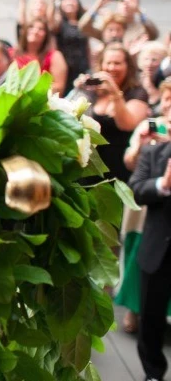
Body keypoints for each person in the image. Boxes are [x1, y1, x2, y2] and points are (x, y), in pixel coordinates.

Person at [118, 80, 171, 335]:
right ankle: (134, 308)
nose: (169, 104)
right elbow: (130, 164)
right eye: (167, 99)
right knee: (142, 258)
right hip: (146, 208)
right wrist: (141, 144)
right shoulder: (148, 126)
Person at [128, 115, 171, 381]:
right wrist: (163, 185)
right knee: (151, 318)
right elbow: (136, 189)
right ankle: (153, 373)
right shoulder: (155, 153)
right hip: (159, 248)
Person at [70, 43, 149, 184]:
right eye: (109, 63)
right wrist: (79, 90)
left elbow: (127, 124)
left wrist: (114, 91)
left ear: (128, 66)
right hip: (89, 164)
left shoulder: (136, 92)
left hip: (118, 167)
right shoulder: (93, 91)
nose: (112, 68)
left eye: (117, 63)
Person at [13, 17, 68, 93]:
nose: (35, 31)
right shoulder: (12, 53)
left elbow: (59, 87)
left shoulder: (54, 56)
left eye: (41, 29)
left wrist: (29, 89)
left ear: (46, 35)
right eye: (31, 27)